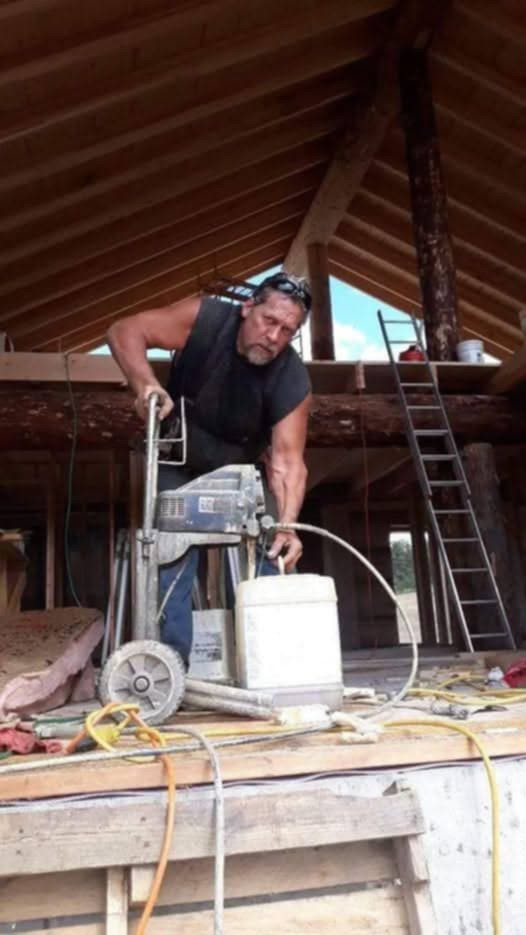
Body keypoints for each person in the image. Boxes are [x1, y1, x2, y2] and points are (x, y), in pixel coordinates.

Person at [108, 272, 312, 665]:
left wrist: (288, 525)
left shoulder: (292, 378)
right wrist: (145, 384)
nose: (273, 336)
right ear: (247, 307)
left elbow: (288, 463)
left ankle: (271, 665)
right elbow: (124, 330)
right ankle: (169, 667)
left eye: (286, 330)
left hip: (238, 473)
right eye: (269, 321)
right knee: (170, 559)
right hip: (178, 460)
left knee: (272, 551)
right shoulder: (207, 319)